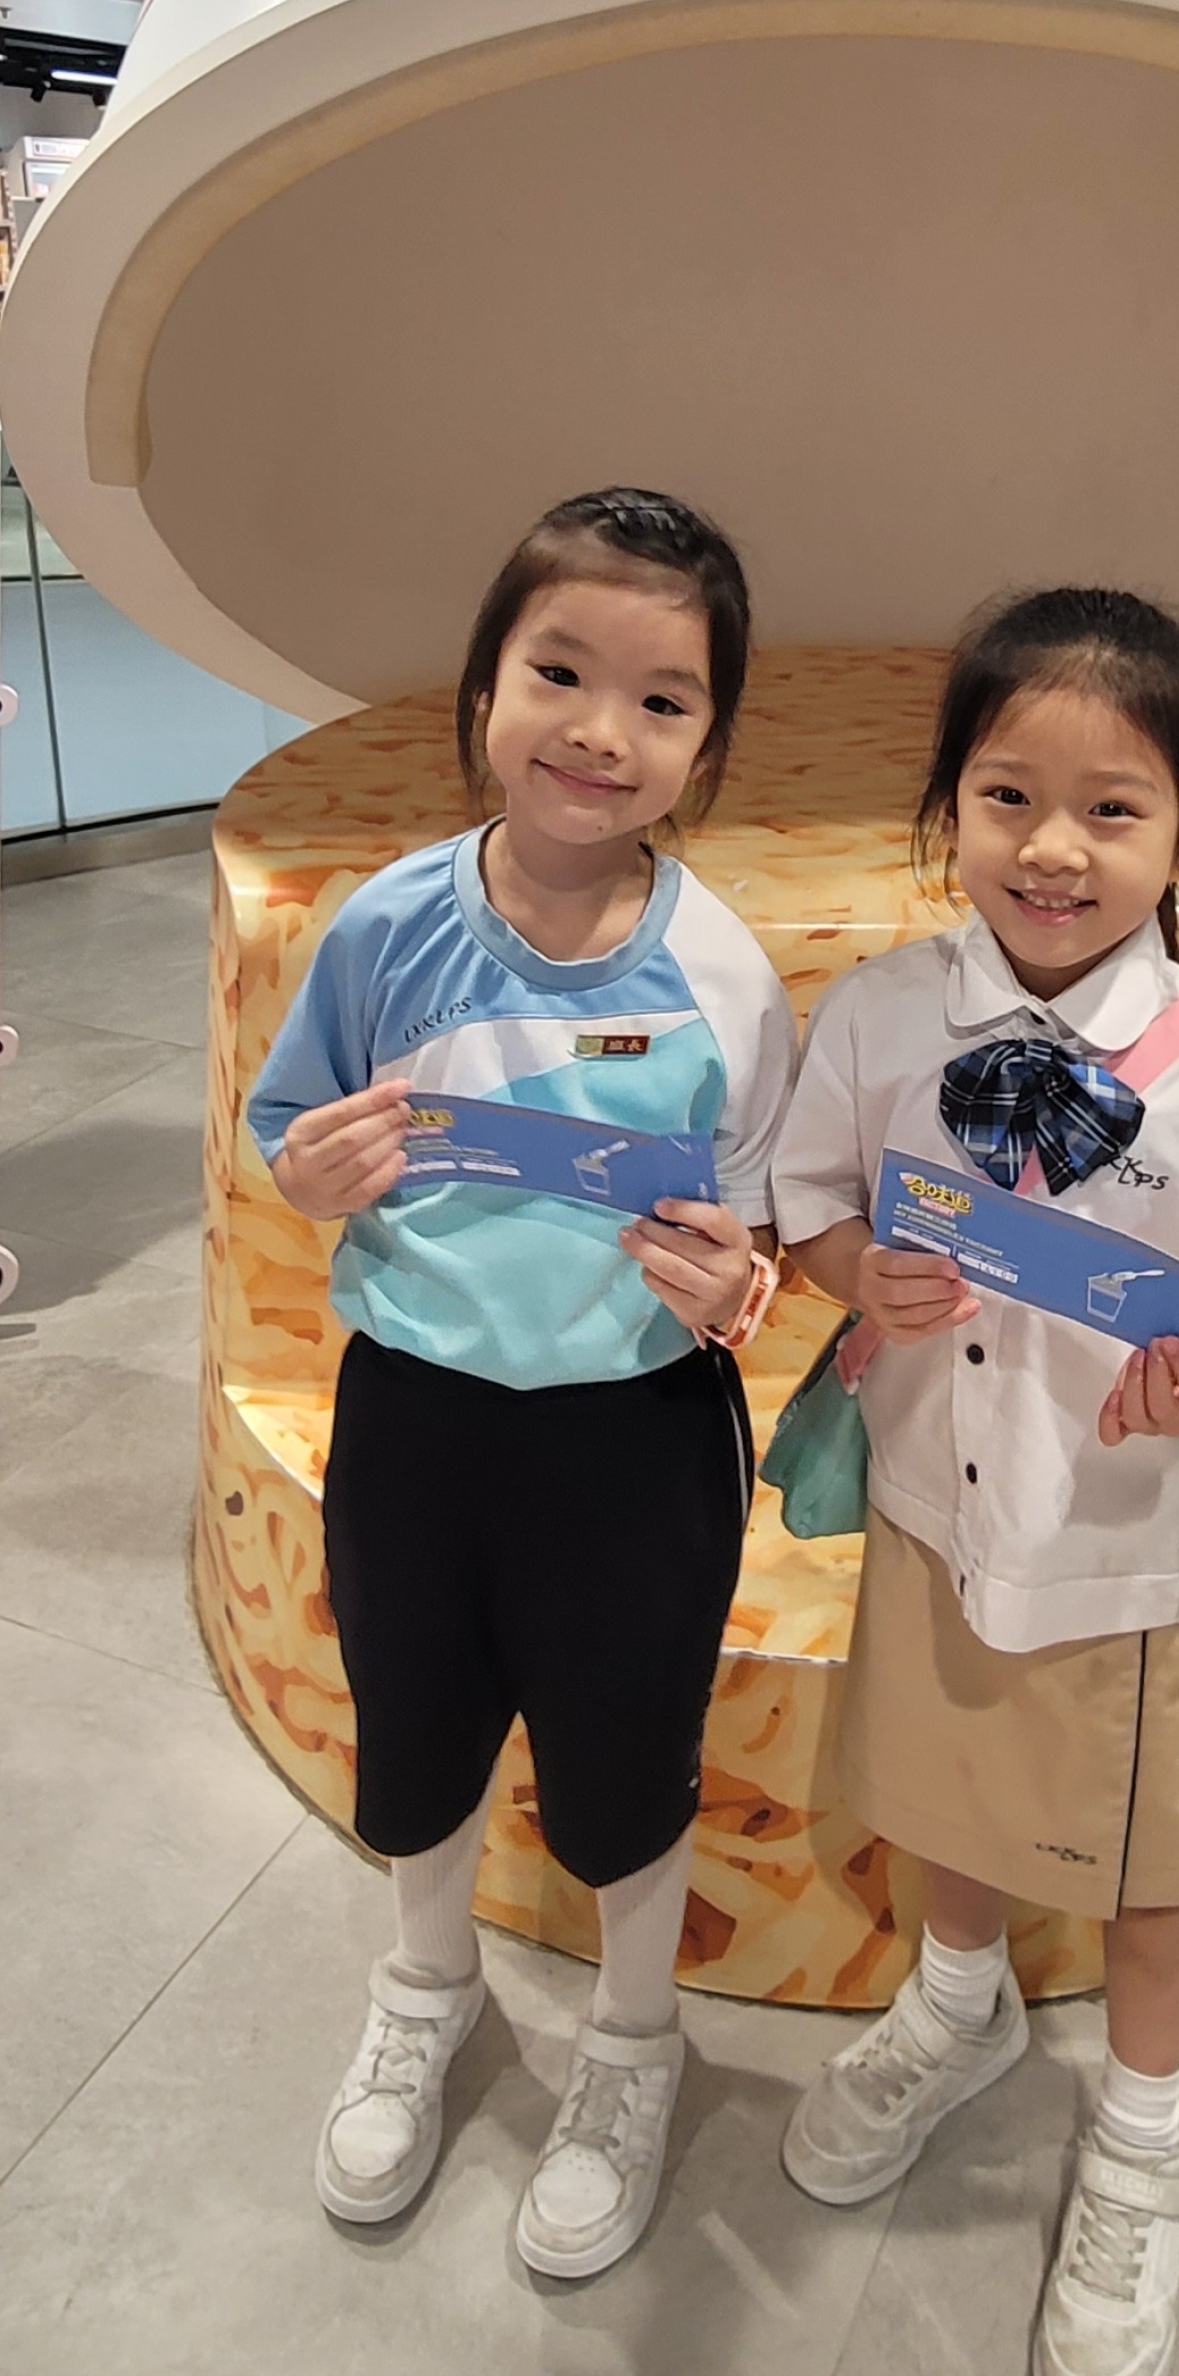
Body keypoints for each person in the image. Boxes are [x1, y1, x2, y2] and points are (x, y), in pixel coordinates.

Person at [772, 587, 1179, 2376]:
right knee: (948, 1783)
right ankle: (959, 2003)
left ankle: (1144, 2142)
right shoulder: (879, 1014)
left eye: (1115, 806)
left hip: (1132, 1545)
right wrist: (858, 1270)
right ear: (949, 803)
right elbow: (811, 1206)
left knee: (1160, 1862)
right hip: (936, 1505)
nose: (1052, 846)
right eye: (1008, 793)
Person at [251, 488, 794, 2273]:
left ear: (708, 739)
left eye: (662, 698)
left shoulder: (723, 974)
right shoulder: (384, 924)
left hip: (636, 1437)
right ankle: (428, 1985)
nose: (600, 730)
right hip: (413, 1417)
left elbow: (760, 1234)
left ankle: (635, 2041)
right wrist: (309, 1172)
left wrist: (735, 1284)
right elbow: (288, 1128)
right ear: (484, 681)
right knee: (414, 1728)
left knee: (628, 1763)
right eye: (559, 671)